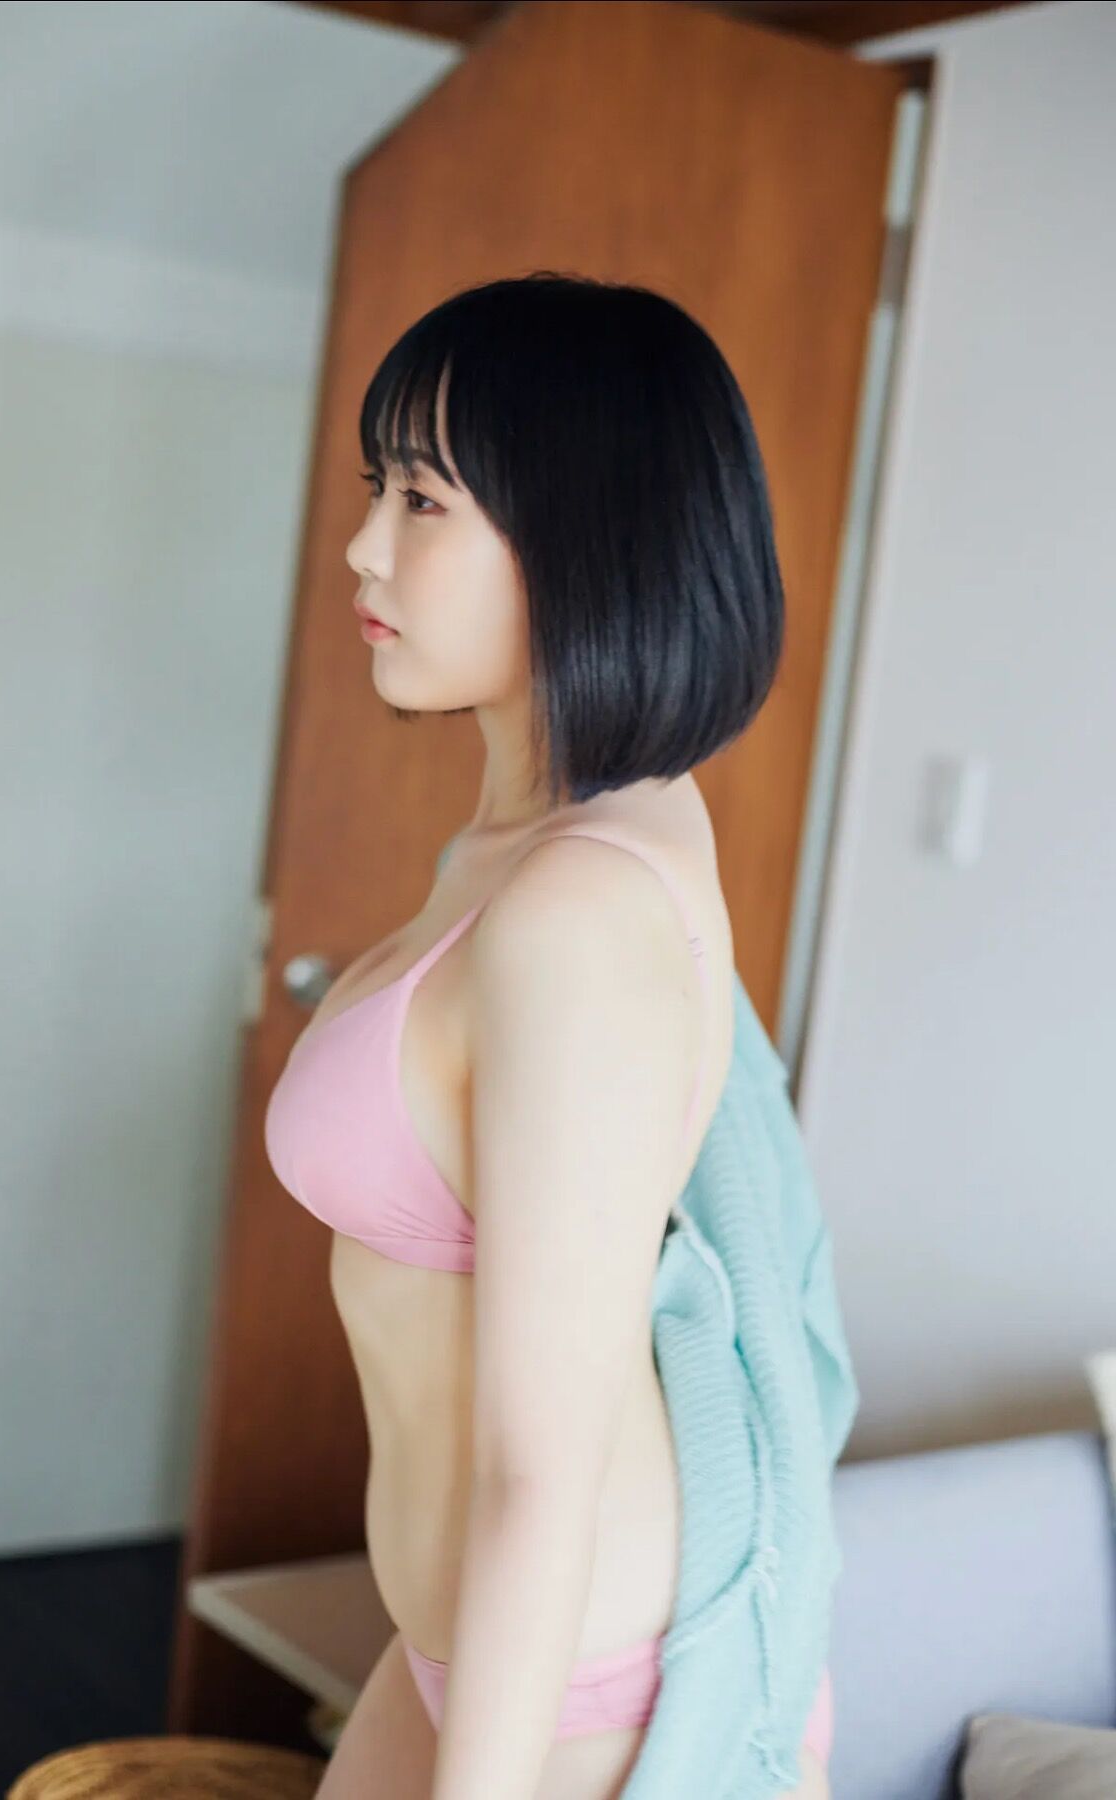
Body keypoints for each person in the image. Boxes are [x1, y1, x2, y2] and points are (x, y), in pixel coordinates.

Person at [264, 272, 833, 1800]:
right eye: (377, 489)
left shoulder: (577, 911)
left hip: (565, 1684)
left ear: (590, 535)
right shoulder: (541, 841)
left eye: (422, 501)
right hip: (476, 1638)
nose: (364, 547)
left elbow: (542, 1467)